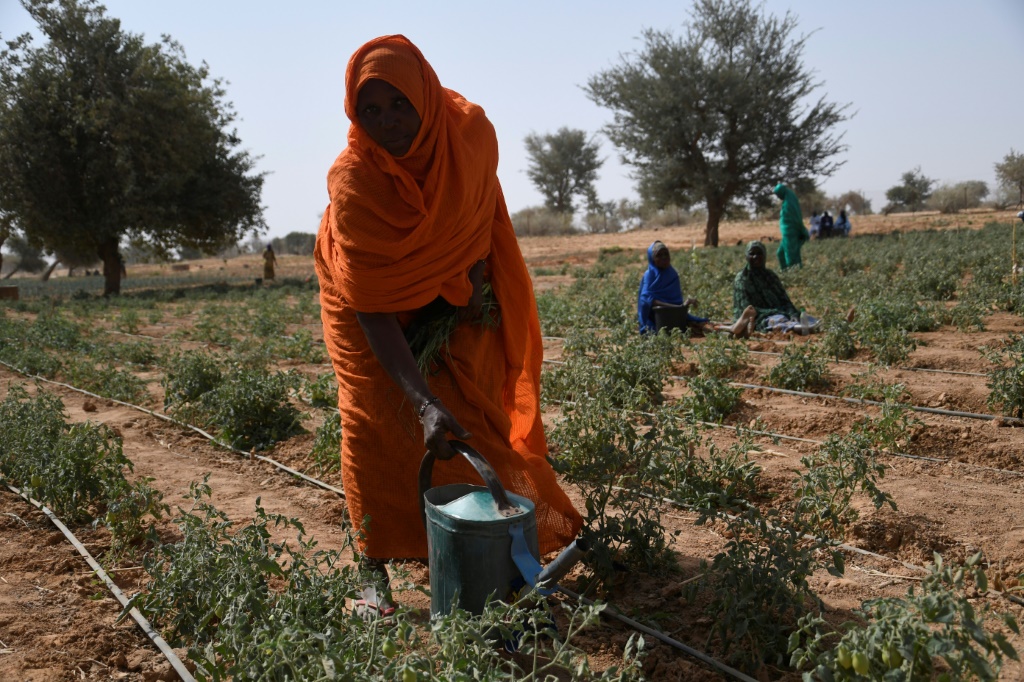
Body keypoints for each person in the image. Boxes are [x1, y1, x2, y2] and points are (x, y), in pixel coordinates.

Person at [313, 35, 582, 615]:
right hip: (365, 306)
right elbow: (371, 307)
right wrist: (420, 399)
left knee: (472, 416)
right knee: (373, 425)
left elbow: (478, 211)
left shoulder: (470, 136)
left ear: (424, 95)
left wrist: (469, 289)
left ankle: (496, 537)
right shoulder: (356, 183)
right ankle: (372, 570)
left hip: (453, 289)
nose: (388, 122)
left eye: (399, 104)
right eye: (371, 111)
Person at [638, 241, 756, 338]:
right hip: (656, 320)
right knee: (688, 329)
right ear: (652, 258)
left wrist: (682, 306)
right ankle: (731, 329)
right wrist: (677, 308)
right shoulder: (650, 274)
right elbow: (647, 299)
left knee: (699, 325)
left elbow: (675, 301)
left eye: (666, 254)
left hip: (675, 314)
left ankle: (733, 331)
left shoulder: (672, 274)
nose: (664, 258)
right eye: (659, 255)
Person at [733, 241, 819, 334]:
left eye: (759, 253)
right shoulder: (742, 278)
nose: (755, 257)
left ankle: (806, 326)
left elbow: (784, 299)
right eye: (752, 254)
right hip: (757, 317)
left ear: (765, 256)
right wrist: (775, 312)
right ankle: (799, 329)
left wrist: (791, 312)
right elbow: (747, 309)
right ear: (746, 256)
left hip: (779, 311)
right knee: (779, 320)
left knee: (805, 317)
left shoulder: (770, 276)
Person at [773, 183, 810, 269]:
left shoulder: (789, 204)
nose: (778, 197)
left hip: (791, 233)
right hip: (786, 233)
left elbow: (796, 219)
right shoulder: (786, 202)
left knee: (791, 257)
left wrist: (802, 230)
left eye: (778, 194)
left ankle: (794, 274)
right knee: (781, 254)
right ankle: (786, 273)